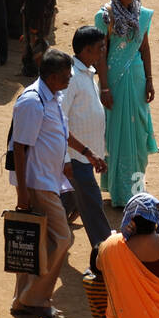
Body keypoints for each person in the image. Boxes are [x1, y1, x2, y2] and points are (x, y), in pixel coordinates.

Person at [9, 48, 106, 318]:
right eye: (65, 76)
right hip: (38, 183)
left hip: (51, 180)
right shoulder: (32, 102)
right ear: (51, 77)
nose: (69, 79)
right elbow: (20, 149)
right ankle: (35, 299)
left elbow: (62, 134)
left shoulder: (54, 96)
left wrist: (88, 152)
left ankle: (22, 300)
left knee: (38, 242)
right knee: (62, 238)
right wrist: (23, 195)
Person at [94, 0, 156, 207]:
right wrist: (105, 87)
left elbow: (145, 48)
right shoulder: (105, 17)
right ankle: (120, 192)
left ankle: (137, 188)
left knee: (138, 133)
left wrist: (150, 79)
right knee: (116, 134)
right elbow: (101, 54)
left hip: (137, 79)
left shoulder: (142, 15)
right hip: (115, 82)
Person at [61, 26, 113, 247]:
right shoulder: (71, 78)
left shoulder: (86, 72)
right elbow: (58, 121)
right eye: (100, 48)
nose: (103, 52)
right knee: (92, 203)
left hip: (86, 154)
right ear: (85, 50)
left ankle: (53, 229)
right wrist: (64, 160)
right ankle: (105, 251)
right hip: (75, 157)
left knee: (70, 196)